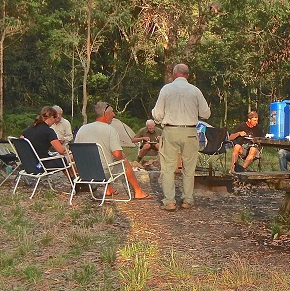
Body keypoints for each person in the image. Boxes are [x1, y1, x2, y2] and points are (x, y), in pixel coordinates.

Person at [152, 63, 211, 211]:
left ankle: (170, 201)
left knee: (167, 167)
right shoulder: (195, 91)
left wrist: (158, 119)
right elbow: (206, 114)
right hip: (190, 131)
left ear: (174, 74)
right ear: (188, 75)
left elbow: (158, 115)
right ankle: (187, 200)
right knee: (189, 168)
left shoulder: (166, 89)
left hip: (171, 130)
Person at [76, 101, 153, 199]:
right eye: (112, 112)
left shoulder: (82, 129)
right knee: (123, 161)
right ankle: (138, 191)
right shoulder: (110, 130)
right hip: (102, 173)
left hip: (84, 172)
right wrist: (122, 156)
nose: (114, 114)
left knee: (105, 158)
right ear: (106, 114)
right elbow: (117, 155)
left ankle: (109, 189)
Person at [21, 106, 72, 174]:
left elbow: (21, 141)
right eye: (54, 118)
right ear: (51, 118)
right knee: (71, 156)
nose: (54, 122)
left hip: (29, 164)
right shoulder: (49, 131)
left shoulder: (29, 130)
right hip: (43, 164)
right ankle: (76, 181)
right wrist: (70, 151)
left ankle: (73, 180)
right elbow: (61, 150)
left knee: (61, 160)